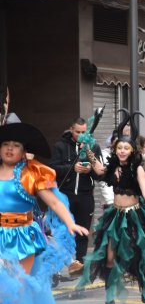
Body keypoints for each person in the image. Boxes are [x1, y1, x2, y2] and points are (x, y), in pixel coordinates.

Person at [0, 122, 88, 304]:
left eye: (15, 146)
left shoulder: (32, 172)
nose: (9, 149)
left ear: (23, 150)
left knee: (27, 296)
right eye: (5, 144)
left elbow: (54, 201)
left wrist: (70, 223)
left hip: (24, 241)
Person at [76, 114, 145, 304]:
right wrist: (88, 149)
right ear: (115, 150)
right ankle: (109, 300)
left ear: (132, 150)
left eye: (126, 148)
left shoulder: (138, 169)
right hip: (114, 217)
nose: (122, 151)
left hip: (135, 217)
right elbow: (98, 169)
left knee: (140, 254)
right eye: (119, 148)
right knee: (109, 258)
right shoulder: (112, 167)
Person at [50, 117, 103, 275]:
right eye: (77, 131)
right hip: (65, 195)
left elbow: (100, 174)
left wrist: (89, 170)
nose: (80, 135)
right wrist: (73, 168)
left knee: (83, 231)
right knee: (62, 231)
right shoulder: (60, 146)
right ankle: (60, 267)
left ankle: (80, 264)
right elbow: (52, 169)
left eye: (83, 132)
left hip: (85, 195)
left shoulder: (93, 147)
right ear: (71, 130)